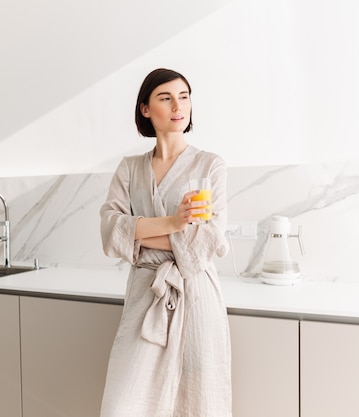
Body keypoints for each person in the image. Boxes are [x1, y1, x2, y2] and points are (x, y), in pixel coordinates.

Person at [99, 68, 232, 417]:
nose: (178, 106)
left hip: (195, 293)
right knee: (123, 405)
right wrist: (175, 223)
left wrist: (139, 235)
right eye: (166, 97)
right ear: (145, 109)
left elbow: (209, 239)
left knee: (195, 401)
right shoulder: (129, 169)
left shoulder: (210, 166)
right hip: (147, 293)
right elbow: (110, 231)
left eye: (184, 96)